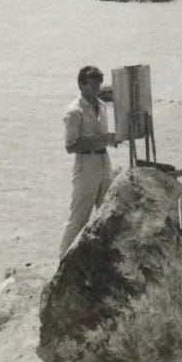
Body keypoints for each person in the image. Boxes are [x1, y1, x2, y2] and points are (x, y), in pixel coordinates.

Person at [58, 65, 121, 257]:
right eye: (92, 83)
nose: (96, 87)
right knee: (79, 215)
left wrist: (114, 139)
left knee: (105, 212)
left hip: (104, 161)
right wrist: (102, 140)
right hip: (85, 165)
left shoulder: (102, 106)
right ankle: (63, 257)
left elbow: (102, 136)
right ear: (81, 85)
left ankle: (99, 258)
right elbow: (71, 146)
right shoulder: (74, 111)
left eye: (98, 83)